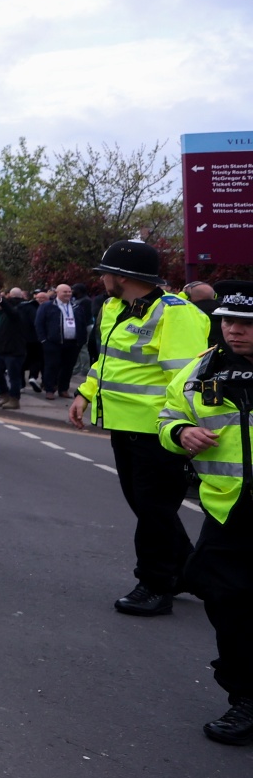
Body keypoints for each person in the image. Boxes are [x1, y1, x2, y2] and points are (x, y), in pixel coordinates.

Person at [71, 240, 212, 616]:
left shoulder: (176, 314)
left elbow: (186, 379)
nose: (101, 279)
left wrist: (183, 428)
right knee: (148, 508)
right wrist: (85, 393)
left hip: (159, 430)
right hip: (123, 425)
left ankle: (155, 584)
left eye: (104, 273)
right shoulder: (114, 307)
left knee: (154, 510)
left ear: (121, 277)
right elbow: (108, 362)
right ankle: (187, 571)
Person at [158, 282, 253, 744]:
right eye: (228, 321)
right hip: (228, 511)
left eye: (247, 324)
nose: (234, 331)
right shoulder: (200, 371)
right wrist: (180, 432)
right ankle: (245, 698)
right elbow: (167, 414)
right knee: (223, 599)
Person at [37, 282, 88, 399]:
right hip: (53, 343)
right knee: (51, 366)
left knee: (68, 367)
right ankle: (49, 389)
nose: (68, 294)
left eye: (69, 291)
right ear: (57, 293)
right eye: (65, 292)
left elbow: (83, 323)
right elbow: (39, 324)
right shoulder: (47, 306)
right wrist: (44, 340)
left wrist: (81, 340)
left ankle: (63, 389)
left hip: (72, 343)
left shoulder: (77, 306)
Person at [0, 286, 30, 409]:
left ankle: (14, 399)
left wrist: (1, 299)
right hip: (0, 349)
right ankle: (4, 395)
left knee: (14, 376)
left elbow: (12, 312)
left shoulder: (20, 309)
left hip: (14, 350)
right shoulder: (3, 313)